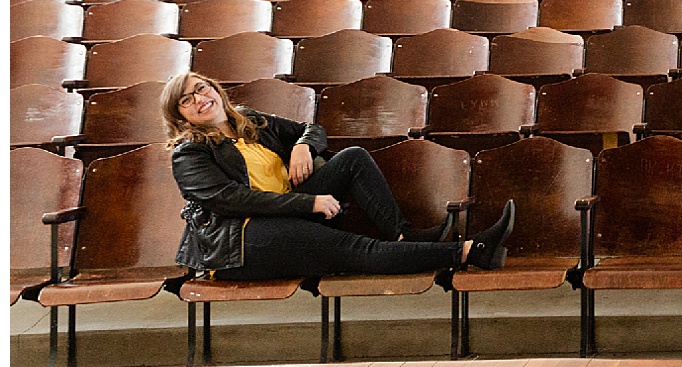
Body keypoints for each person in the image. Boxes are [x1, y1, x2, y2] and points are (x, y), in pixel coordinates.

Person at [163, 71, 514, 280]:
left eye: (201, 88)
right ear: (180, 116)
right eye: (185, 100)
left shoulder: (248, 119)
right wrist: (308, 202)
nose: (199, 99)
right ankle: (470, 252)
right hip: (238, 243)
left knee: (352, 159)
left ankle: (403, 236)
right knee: (355, 249)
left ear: (214, 89)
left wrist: (303, 146)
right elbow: (233, 201)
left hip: (287, 214)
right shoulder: (190, 152)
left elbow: (310, 128)